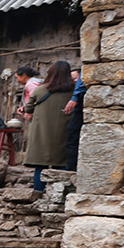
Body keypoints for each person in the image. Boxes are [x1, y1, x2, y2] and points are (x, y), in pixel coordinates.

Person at [22, 60, 74, 192]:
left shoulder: (40, 90)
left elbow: (28, 108)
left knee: (40, 164)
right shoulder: (74, 91)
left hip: (42, 132)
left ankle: (38, 192)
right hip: (64, 132)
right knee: (61, 162)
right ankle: (60, 193)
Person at [64, 66, 86, 171]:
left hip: (81, 108)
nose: (75, 82)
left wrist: (75, 97)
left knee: (73, 138)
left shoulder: (77, 93)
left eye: (76, 79)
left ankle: (71, 168)